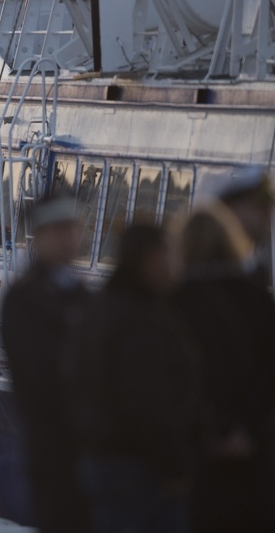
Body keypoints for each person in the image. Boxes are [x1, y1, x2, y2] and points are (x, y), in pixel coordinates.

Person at [65, 225, 202, 533]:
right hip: (140, 470)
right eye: (168, 254)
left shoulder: (98, 309)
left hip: (102, 461)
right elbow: (147, 400)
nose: (174, 265)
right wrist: (174, 466)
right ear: (150, 260)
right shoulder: (141, 319)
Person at [172, 172, 275, 533]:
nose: (268, 218)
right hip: (202, 463)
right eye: (258, 209)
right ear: (227, 213)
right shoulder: (190, 298)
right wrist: (219, 432)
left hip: (250, 462)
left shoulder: (255, 291)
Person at [0, 197, 91, 533]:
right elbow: (37, 372)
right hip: (53, 437)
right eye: (59, 230)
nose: (70, 238)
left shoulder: (80, 293)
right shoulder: (24, 298)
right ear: (40, 236)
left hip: (90, 441)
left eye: (73, 229)